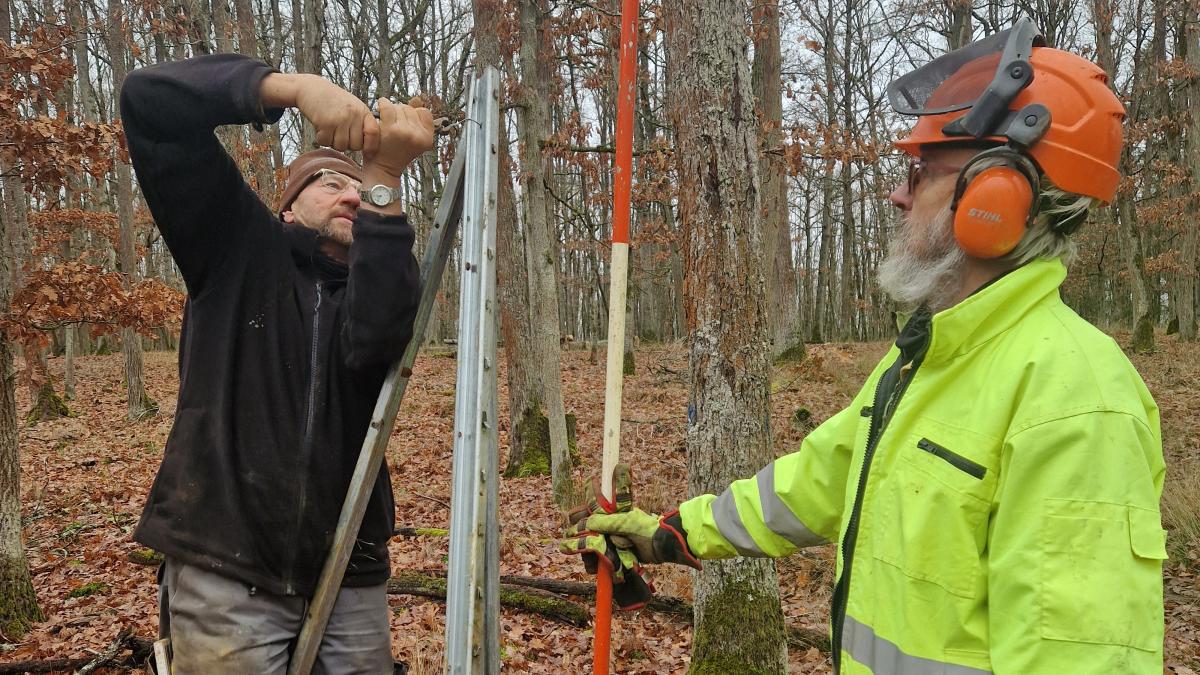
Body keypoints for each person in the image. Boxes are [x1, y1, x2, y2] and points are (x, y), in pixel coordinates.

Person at [563, 19, 1166, 674]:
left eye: (923, 171)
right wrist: (671, 533)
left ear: (997, 195)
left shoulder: (1076, 403)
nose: (897, 192)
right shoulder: (927, 356)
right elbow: (816, 480)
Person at [120, 53, 434, 673]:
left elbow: (378, 334)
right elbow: (148, 104)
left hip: (350, 565)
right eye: (329, 183)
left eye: (358, 187)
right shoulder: (235, 250)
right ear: (287, 208)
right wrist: (292, 89)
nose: (350, 193)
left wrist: (386, 176)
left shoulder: (368, 289)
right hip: (227, 561)